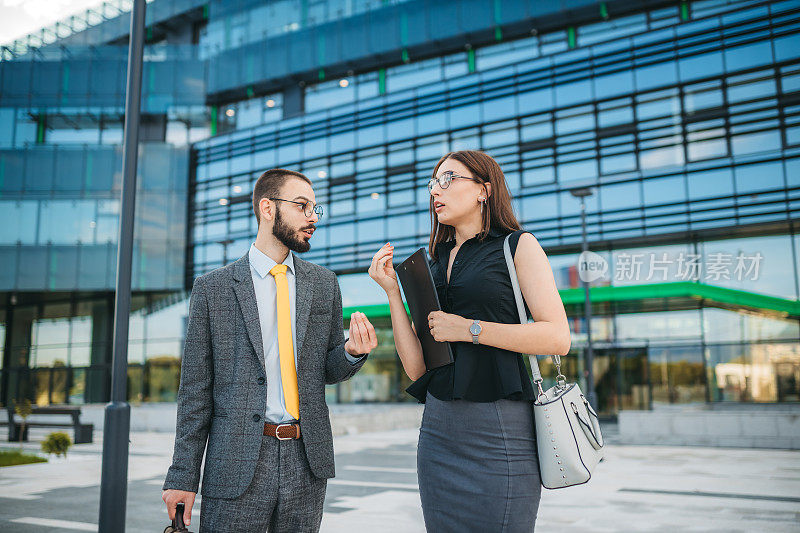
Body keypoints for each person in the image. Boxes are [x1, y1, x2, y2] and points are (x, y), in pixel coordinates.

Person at [162, 168, 378, 532]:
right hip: (235, 463)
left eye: (315, 208)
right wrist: (182, 475)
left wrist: (352, 353)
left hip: (306, 462)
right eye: (302, 206)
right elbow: (195, 393)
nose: (313, 217)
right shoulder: (213, 289)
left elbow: (326, 369)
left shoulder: (324, 283)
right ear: (267, 208)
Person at [368, 150, 571, 532]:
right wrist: (393, 293)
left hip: (501, 428)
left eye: (448, 179)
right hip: (439, 429)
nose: (436, 192)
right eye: (432, 184)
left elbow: (558, 337)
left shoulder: (517, 246)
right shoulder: (431, 262)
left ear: (484, 189)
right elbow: (417, 368)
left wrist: (469, 330)